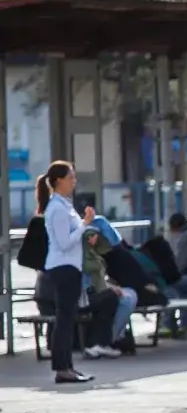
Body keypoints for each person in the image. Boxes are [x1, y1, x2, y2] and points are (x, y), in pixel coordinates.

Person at [38, 161, 96, 383]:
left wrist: (85, 229)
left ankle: (68, 366)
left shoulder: (65, 205)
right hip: (63, 267)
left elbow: (72, 236)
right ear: (59, 181)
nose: (74, 181)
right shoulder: (57, 208)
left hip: (70, 266)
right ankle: (62, 368)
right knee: (64, 319)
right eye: (71, 177)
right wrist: (84, 225)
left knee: (69, 318)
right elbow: (64, 243)